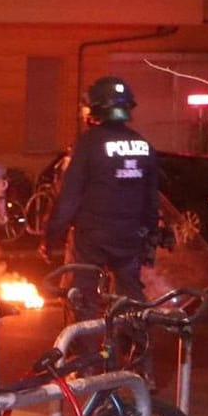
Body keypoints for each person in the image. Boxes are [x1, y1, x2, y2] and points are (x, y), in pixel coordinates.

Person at [41, 75, 160, 319]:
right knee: (130, 295)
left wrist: (50, 236)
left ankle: (83, 351)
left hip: (92, 237)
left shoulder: (88, 144)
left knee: (82, 294)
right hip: (130, 236)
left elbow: (69, 198)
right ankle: (136, 346)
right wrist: (149, 234)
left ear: (96, 108)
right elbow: (151, 198)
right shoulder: (143, 145)